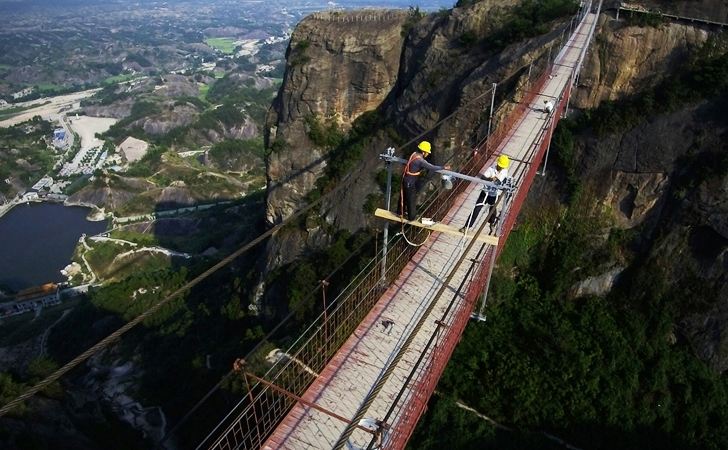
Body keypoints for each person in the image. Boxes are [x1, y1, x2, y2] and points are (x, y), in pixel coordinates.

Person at [460, 154, 510, 234]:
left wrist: (495, 180)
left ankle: (492, 223)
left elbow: (499, 181)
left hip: (494, 194)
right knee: (477, 209)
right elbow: (483, 177)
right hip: (485, 192)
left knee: (492, 210)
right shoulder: (491, 169)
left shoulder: (504, 171)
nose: (501, 168)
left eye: (502, 167)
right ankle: (466, 226)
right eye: (500, 166)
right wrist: (490, 179)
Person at [401, 140, 448, 221]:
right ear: (423, 151)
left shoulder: (414, 154)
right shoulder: (420, 160)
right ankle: (411, 217)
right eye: (427, 152)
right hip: (410, 182)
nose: (428, 154)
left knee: (406, 197)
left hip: (407, 180)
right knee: (411, 199)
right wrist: (443, 167)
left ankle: (401, 212)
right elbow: (432, 167)